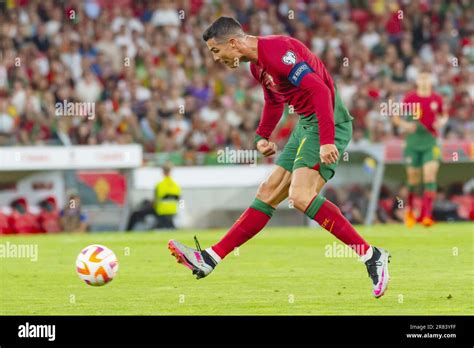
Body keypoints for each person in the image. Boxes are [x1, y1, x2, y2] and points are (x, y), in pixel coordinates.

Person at [168, 17, 391, 298]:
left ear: (233, 43)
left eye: (216, 51)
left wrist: (326, 141)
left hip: (326, 120)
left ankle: (371, 256)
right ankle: (211, 258)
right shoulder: (257, 66)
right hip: (306, 124)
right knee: (269, 191)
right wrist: (262, 135)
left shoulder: (278, 52)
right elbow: (275, 101)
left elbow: (320, 90)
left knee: (300, 196)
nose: (216, 58)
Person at [394, 72, 448, 227]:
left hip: (431, 143)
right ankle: (410, 211)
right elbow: (396, 117)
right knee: (413, 180)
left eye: (427, 77)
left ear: (431, 80)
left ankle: (426, 215)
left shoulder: (437, 99)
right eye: (421, 78)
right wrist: (405, 125)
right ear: (417, 81)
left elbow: (444, 115)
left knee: (430, 177)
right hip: (412, 144)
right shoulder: (410, 98)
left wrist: (442, 122)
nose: (424, 80)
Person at [154, 163, 181, 229]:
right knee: (171, 227)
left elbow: (155, 200)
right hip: (173, 211)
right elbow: (179, 199)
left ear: (163, 172)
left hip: (162, 211)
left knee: (161, 227)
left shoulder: (159, 185)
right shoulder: (176, 185)